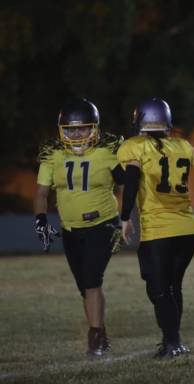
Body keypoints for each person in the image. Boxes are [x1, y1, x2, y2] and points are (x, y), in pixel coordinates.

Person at [34, 98, 124, 357]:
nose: (76, 134)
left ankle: (94, 338)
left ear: (94, 128)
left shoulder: (107, 151)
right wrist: (40, 220)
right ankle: (101, 331)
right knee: (85, 286)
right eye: (71, 129)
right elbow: (41, 193)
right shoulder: (53, 154)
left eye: (82, 128)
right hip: (70, 228)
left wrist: (124, 217)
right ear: (62, 130)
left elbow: (124, 185)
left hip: (103, 223)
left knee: (92, 279)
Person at [118, 98, 194, 359]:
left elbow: (130, 180)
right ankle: (172, 341)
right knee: (174, 286)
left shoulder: (135, 146)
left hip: (159, 229)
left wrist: (125, 216)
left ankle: (172, 341)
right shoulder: (184, 146)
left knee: (159, 288)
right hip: (187, 228)